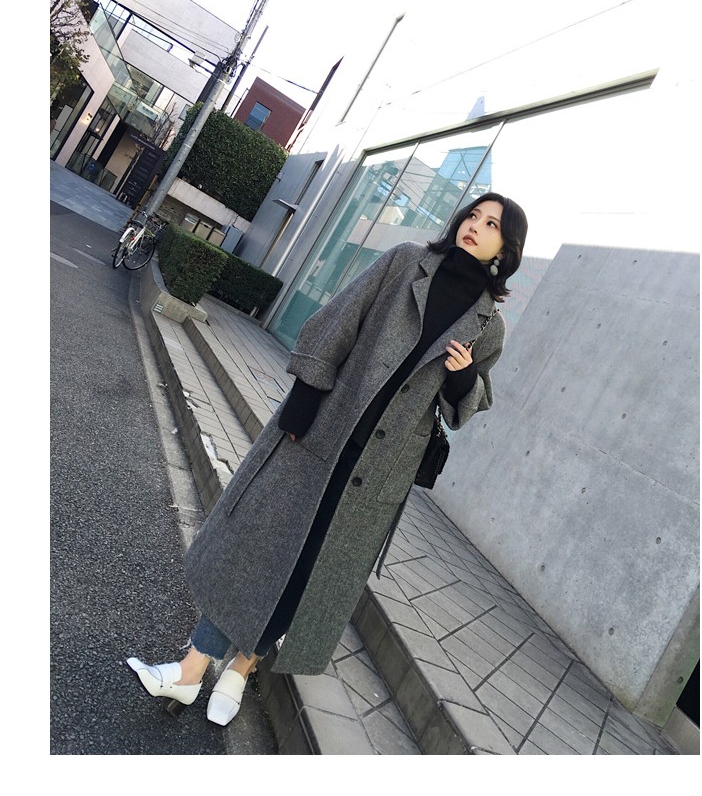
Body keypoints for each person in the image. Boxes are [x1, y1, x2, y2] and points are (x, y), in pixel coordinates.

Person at [127, 191, 529, 725]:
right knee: (259, 548)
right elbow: (340, 318)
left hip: (378, 474)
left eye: (492, 224)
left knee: (310, 572)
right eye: (473, 215)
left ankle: (241, 668)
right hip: (323, 433)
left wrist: (462, 379)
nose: (475, 225)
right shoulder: (406, 262)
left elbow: (468, 405)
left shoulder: (488, 326)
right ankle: (191, 668)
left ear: (506, 248)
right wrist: (304, 397)